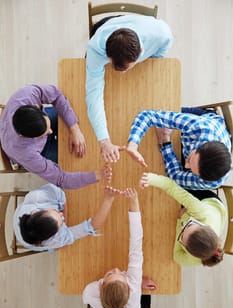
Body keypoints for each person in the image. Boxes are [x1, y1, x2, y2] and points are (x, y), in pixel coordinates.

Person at [86, 15, 173, 163]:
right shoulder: (95, 48)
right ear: (108, 56)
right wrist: (104, 141)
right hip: (108, 26)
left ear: (141, 51)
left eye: (126, 68)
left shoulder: (161, 33)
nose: (123, 72)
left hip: (140, 25)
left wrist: (153, 61)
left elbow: (164, 47)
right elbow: (93, 97)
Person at [0, 84, 112, 189]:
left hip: (31, 127)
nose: (51, 131)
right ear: (25, 136)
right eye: (45, 133)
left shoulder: (26, 95)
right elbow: (61, 178)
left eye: (48, 127)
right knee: (77, 160)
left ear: (35, 106)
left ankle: (49, 125)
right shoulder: (27, 154)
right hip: (40, 151)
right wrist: (97, 175)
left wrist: (74, 129)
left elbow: (56, 95)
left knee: (81, 117)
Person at [82, 188, 156, 308]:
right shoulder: (133, 285)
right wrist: (134, 202)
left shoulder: (90, 292)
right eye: (122, 275)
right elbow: (136, 243)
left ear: (101, 286)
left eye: (110, 274)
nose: (116, 268)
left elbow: (86, 298)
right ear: (130, 287)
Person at [127, 108, 232, 190]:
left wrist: (165, 141)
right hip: (206, 119)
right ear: (199, 147)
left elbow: (176, 176)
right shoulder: (199, 127)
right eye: (190, 159)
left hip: (209, 141)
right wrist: (133, 146)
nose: (186, 166)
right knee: (167, 105)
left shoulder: (211, 181)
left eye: (192, 171)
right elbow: (148, 115)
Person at [139, 172, 227, 266]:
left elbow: (177, 256)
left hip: (210, 218)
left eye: (182, 235)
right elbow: (172, 187)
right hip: (212, 203)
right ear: (203, 225)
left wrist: (180, 221)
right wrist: (151, 179)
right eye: (189, 224)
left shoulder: (194, 259)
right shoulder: (199, 210)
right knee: (180, 183)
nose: (183, 225)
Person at [13, 184, 120, 252]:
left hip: (24, 221)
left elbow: (60, 194)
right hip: (30, 242)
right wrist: (108, 199)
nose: (62, 214)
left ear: (37, 211)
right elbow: (92, 227)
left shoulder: (36, 197)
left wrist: (64, 226)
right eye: (60, 223)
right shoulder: (55, 239)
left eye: (56, 212)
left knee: (60, 246)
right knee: (58, 246)